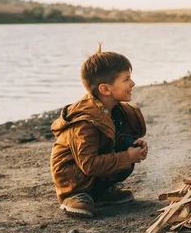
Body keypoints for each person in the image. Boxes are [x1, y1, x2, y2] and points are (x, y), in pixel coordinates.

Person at [51, 46, 148, 217]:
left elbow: (115, 138)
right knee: (81, 201)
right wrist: (127, 157)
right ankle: (73, 196)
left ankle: (102, 192)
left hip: (95, 173)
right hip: (75, 179)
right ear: (105, 89)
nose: (132, 83)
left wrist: (133, 145)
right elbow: (89, 164)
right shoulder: (85, 122)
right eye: (126, 79)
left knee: (126, 143)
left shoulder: (116, 110)